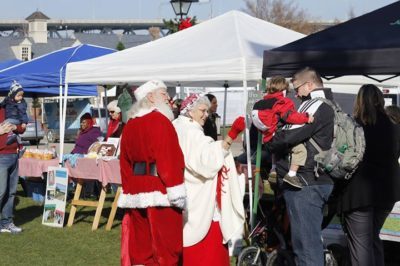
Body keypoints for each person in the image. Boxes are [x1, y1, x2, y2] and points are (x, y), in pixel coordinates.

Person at [268, 67, 335, 266]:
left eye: (297, 88)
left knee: (306, 248)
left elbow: (287, 136)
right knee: (308, 244)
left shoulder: (314, 105)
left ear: (310, 84)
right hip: (314, 181)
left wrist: (272, 138)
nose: (295, 93)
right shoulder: (327, 104)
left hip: (305, 183)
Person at [117, 79, 186, 266]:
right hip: (161, 190)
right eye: (163, 94)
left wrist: (128, 188)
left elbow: (124, 162)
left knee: (142, 247)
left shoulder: (130, 125)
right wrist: (176, 191)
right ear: (150, 97)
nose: (168, 98)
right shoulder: (160, 121)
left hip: (137, 191)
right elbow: (168, 158)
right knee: (167, 248)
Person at [173, 94, 245, 266]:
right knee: (207, 253)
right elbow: (208, 162)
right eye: (202, 111)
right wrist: (231, 136)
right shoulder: (191, 133)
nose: (206, 114)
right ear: (190, 112)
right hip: (200, 197)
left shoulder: (177, 127)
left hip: (185, 189)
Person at [337, 85, 400, 266]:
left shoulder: (354, 126)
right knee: (372, 239)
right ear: (380, 100)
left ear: (359, 101)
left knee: (361, 245)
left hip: (359, 194)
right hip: (387, 192)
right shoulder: (394, 127)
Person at [252, 76, 314, 188]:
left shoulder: (260, 103)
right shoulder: (282, 101)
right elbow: (290, 116)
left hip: (267, 140)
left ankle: (273, 168)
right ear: (284, 90)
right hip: (278, 137)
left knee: (276, 151)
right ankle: (291, 174)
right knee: (300, 150)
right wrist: (306, 117)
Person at [0, 111, 26, 233]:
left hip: (14, 155)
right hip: (1, 156)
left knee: (11, 193)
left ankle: (7, 223)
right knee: (1, 192)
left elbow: (22, 128)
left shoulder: (10, 109)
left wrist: (17, 127)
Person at [0, 81, 28, 146]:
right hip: (2, 151)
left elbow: (22, 129)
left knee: (6, 122)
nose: (20, 98)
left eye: (21, 96)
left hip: (13, 150)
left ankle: (14, 137)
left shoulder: (20, 105)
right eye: (19, 96)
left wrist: (16, 127)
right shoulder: (6, 101)